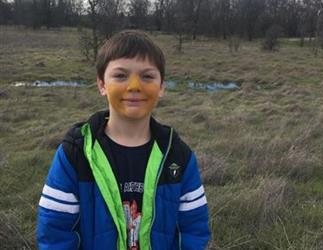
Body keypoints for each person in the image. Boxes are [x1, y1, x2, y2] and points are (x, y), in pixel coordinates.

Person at [36, 30, 210, 250]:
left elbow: (193, 230)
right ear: (101, 84)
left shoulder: (178, 156)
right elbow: (55, 233)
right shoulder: (76, 153)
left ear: (162, 86)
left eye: (147, 76)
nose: (134, 86)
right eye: (120, 75)